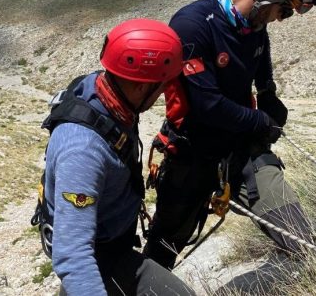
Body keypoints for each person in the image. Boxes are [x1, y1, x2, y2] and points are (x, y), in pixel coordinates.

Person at [143, 0, 316, 269]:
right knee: (160, 254)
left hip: (241, 151)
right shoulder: (192, 26)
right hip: (191, 156)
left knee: (302, 239)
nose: (280, 20)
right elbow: (207, 105)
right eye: (283, 12)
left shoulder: (253, 25)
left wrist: (268, 92)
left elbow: (260, 50)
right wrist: (261, 121)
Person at [33, 19, 195, 295]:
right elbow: (73, 255)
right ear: (143, 88)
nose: (164, 94)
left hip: (112, 245)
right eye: (162, 86)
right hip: (100, 257)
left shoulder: (106, 92)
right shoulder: (83, 152)